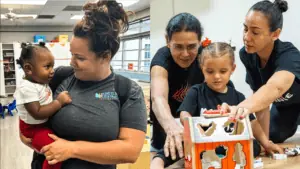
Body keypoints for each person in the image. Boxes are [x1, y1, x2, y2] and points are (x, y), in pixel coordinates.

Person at [19, 1, 147, 169]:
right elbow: (28, 92)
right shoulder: (60, 77)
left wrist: (72, 149)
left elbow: (130, 151)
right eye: (72, 54)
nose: (72, 62)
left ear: (105, 57)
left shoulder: (127, 91)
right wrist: (26, 130)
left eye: (80, 58)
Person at [150, 42, 283, 168]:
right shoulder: (196, 92)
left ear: (232, 69)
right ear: (202, 69)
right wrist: (190, 125)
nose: (217, 76)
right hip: (201, 141)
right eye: (210, 71)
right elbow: (184, 113)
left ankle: (222, 159)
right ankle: (158, 161)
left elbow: (252, 122)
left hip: (229, 142)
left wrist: (266, 143)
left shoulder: (238, 97)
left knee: (253, 145)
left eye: (223, 71)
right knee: (178, 144)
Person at [222, 0, 300, 144]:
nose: (246, 37)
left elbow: (274, 87)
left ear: (275, 34)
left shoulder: (290, 56)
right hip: (286, 105)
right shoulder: (247, 55)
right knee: (272, 135)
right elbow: (260, 97)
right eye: (245, 29)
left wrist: (241, 108)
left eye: (255, 32)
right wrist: (265, 142)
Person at [150, 12, 205, 160]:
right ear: (167, 41)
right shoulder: (161, 59)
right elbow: (158, 98)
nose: (185, 54)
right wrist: (172, 128)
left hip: (198, 141)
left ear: (200, 41)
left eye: (192, 46)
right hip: (163, 142)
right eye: (178, 47)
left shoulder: (205, 57)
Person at [14, 42, 72, 169]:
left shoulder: (39, 81)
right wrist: (59, 102)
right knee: (54, 154)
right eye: (47, 67)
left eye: (53, 66)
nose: (52, 71)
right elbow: (37, 113)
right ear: (28, 69)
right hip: (34, 129)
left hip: (40, 126)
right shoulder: (27, 88)